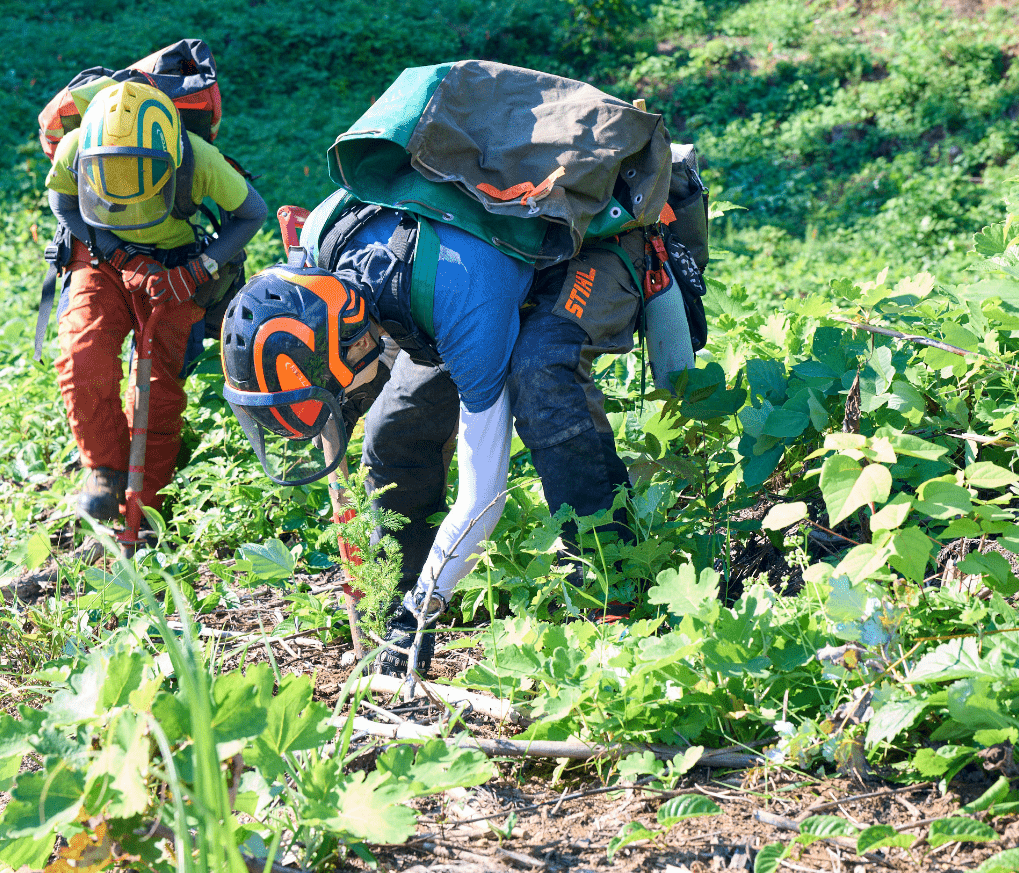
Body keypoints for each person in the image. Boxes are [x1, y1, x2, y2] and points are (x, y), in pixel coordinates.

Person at [220, 211, 645, 676]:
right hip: (480, 270)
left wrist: (422, 608)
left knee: (540, 374)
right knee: (395, 431)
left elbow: (483, 498)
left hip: (590, 248)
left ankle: (611, 591)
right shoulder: (324, 245)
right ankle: (389, 613)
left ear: (359, 346)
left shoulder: (464, 307)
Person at [47, 79, 267, 542]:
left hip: (174, 268)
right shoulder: (75, 147)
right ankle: (105, 469)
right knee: (81, 352)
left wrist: (197, 270)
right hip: (102, 256)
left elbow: (253, 213)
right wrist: (122, 256)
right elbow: (64, 205)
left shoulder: (198, 159)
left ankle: (147, 505)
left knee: (158, 387)